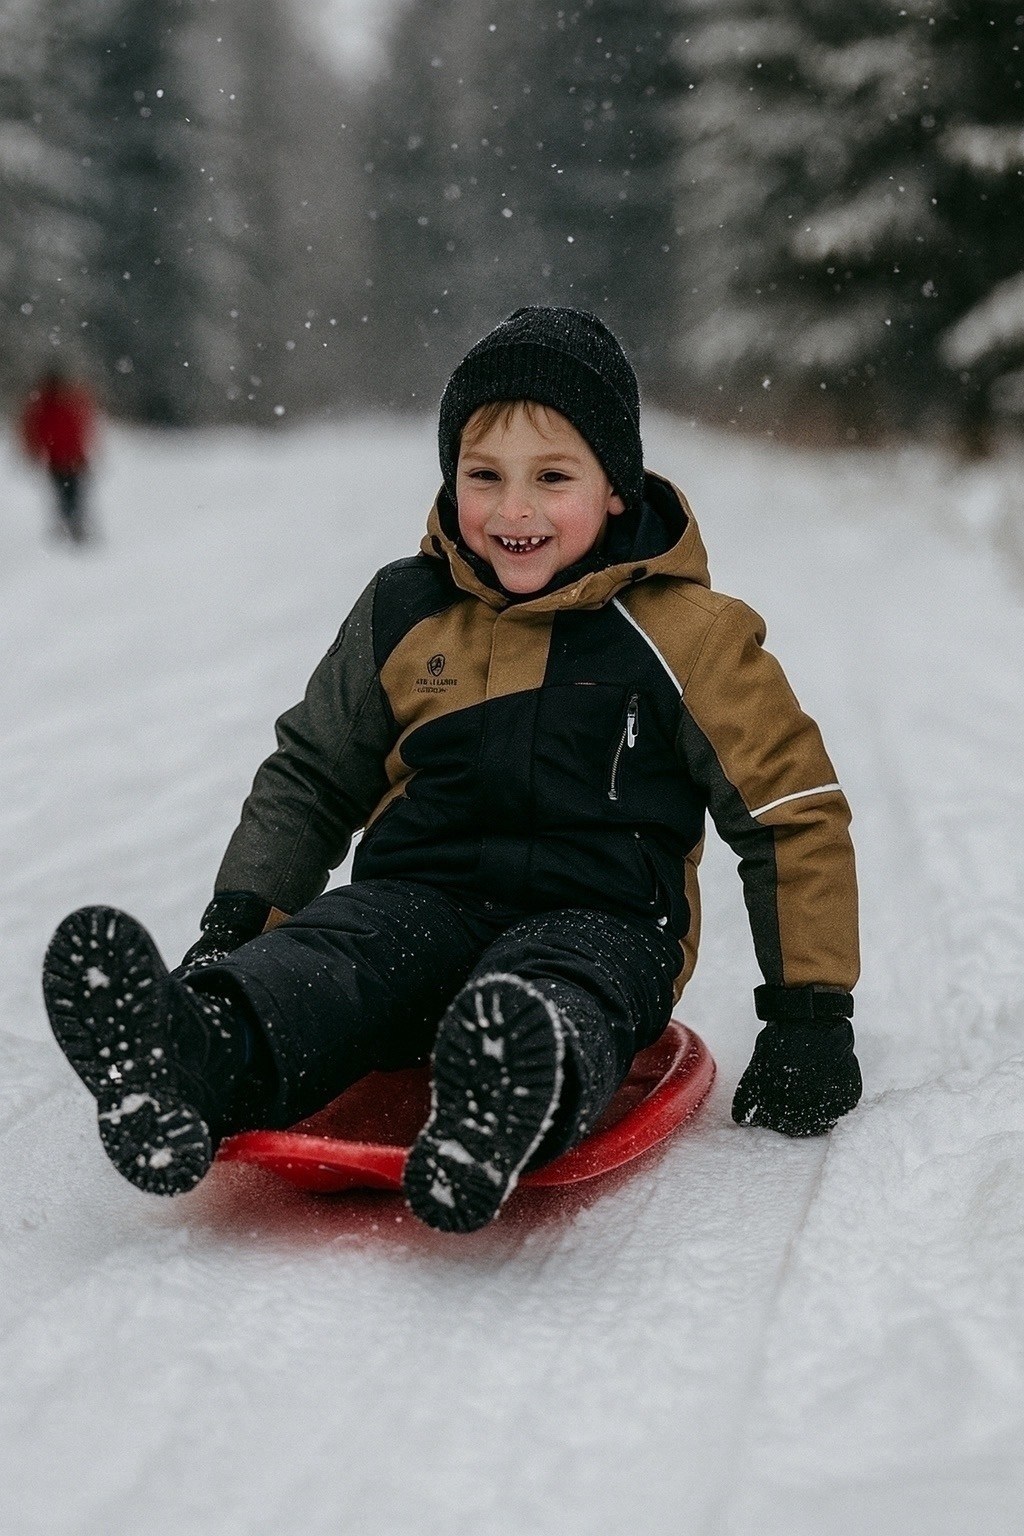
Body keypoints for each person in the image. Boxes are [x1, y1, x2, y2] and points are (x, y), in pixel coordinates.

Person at [41, 307, 862, 1234]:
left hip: (602, 919)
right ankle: (191, 1057)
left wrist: (810, 1017)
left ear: (618, 489)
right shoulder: (406, 607)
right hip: (418, 900)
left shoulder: (690, 636)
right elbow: (313, 774)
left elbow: (791, 813)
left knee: (564, 986)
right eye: (484, 476)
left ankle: (507, 1093)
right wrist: (240, 925)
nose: (514, 511)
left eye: (553, 477)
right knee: (336, 956)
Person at [19, 368, 97, 543]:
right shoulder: (48, 406)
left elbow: (81, 428)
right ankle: (72, 525)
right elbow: (34, 432)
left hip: (68, 459)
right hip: (61, 459)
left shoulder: (54, 405)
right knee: (67, 494)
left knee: (70, 493)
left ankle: (73, 525)